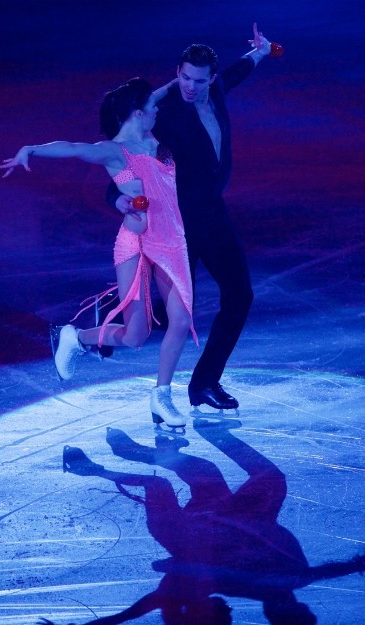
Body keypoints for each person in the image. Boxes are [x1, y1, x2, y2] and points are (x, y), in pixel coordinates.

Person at [38, 423, 365, 625]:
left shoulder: (250, 586)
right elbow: (334, 570)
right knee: (239, 474)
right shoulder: (295, 579)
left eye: (296, 611)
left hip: (198, 530)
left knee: (168, 482)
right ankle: (155, 445)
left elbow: (144, 606)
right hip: (237, 518)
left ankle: (93, 469)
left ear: (282, 612)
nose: (295, 605)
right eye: (301, 608)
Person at [0, 77, 196, 428]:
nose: (158, 109)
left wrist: (176, 80)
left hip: (172, 242)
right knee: (136, 335)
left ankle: (162, 396)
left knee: (180, 321)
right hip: (135, 244)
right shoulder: (115, 151)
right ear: (138, 113)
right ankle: (75, 338)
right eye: (152, 107)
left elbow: (157, 94)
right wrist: (31, 148)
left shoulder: (153, 138)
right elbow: (74, 148)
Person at [108, 24, 277, 412]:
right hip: (176, 226)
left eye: (199, 80)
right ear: (177, 73)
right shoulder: (164, 115)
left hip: (213, 217)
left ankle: (204, 383)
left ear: (210, 79)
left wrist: (261, 52)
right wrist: (116, 197)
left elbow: (236, 71)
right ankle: (107, 325)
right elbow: (125, 155)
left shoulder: (215, 91)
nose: (190, 86)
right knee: (173, 316)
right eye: (184, 77)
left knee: (240, 296)